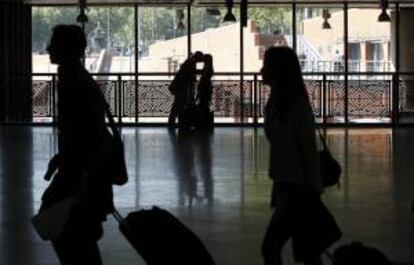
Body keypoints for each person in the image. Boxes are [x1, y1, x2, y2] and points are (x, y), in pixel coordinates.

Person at [40, 24, 114, 265]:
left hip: (81, 173)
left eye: (54, 43)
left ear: (67, 48)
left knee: (68, 230)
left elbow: (84, 132)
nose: (49, 48)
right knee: (78, 235)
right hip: (85, 170)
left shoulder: (73, 82)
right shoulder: (78, 78)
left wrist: (78, 172)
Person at [260, 46, 324, 265]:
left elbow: (308, 148)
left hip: (298, 188)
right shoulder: (277, 104)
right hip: (286, 183)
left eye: (266, 66)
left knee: (271, 247)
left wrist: (314, 187)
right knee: (308, 251)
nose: (261, 71)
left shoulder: (295, 106)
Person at [168, 51, 204, 128]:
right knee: (178, 104)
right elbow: (189, 77)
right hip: (181, 88)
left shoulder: (189, 61)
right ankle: (174, 122)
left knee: (178, 104)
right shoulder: (191, 63)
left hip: (179, 87)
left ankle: (174, 122)